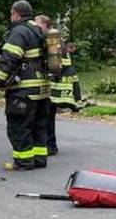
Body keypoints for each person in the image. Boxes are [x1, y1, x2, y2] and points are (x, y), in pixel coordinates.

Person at [0, 0, 50, 170]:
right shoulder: (39, 30)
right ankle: (39, 159)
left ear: (15, 13)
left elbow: (10, 57)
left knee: (19, 126)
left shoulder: (19, 32)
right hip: (42, 89)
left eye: (11, 13)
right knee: (39, 126)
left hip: (24, 90)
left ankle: (24, 161)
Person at [33, 14, 80, 155]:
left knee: (46, 116)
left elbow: (53, 64)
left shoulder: (51, 39)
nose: (35, 27)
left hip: (55, 84)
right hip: (59, 83)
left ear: (46, 25)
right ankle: (51, 145)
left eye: (38, 24)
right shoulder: (57, 38)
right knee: (49, 116)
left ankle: (49, 145)